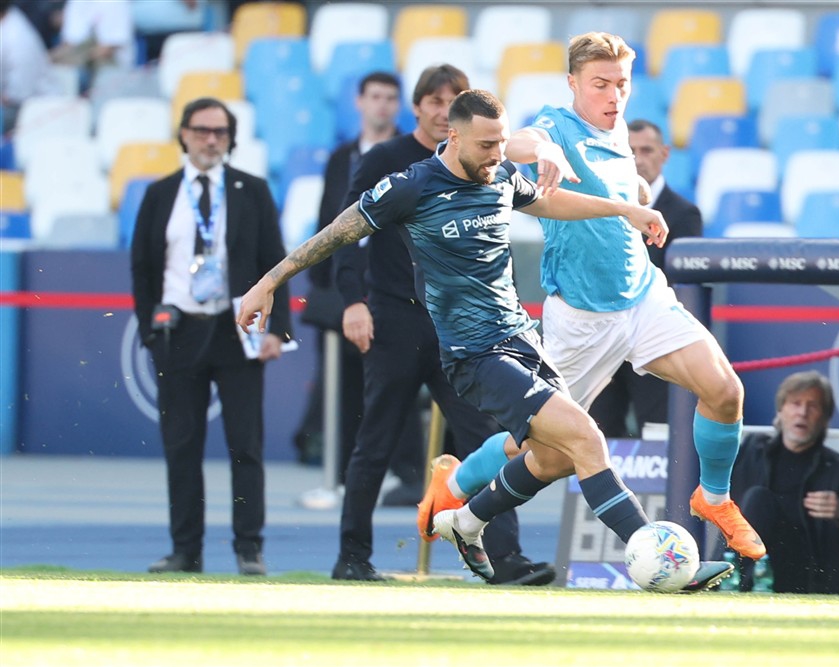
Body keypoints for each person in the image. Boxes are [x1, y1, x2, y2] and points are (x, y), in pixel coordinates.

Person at [236, 89, 671, 585]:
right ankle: (654, 555)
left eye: (502, 143)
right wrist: (268, 283)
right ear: (454, 136)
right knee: (587, 438)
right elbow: (338, 232)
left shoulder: (500, 173)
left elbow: (548, 201)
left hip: (522, 340)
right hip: (474, 354)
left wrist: (624, 210)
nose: (497, 154)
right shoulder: (412, 186)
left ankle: (466, 521)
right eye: (486, 145)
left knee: (554, 458)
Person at [421, 33, 765, 568]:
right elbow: (519, 143)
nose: (613, 95)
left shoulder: (619, 128)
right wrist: (545, 150)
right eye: (600, 84)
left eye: (621, 84)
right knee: (546, 455)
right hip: (580, 320)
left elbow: (617, 185)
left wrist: (637, 198)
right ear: (573, 83)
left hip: (643, 298)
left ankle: (714, 498)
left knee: (725, 391)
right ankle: (460, 486)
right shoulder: (557, 124)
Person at [316, 66, 550, 585]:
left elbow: (496, 241)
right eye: (435, 100)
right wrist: (352, 301)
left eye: (454, 100)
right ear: (418, 107)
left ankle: (506, 557)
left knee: (485, 435)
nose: (444, 110)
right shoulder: (388, 160)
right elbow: (346, 231)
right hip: (395, 317)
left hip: (464, 329)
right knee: (376, 439)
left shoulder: (486, 165)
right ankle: (352, 556)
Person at [131, 97, 291, 576]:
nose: (210, 139)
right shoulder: (160, 193)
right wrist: (150, 333)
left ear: (231, 138)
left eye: (220, 132)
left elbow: (276, 262)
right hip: (178, 330)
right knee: (181, 446)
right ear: (184, 134)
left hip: (235, 328)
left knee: (246, 445)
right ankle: (186, 550)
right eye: (201, 130)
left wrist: (276, 330)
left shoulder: (252, 190)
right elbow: (142, 268)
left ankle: (249, 548)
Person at [294, 71, 424, 500]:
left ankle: (407, 475)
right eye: (375, 96)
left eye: (390, 98)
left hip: (393, 280)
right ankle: (344, 477)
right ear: (360, 101)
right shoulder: (341, 157)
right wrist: (325, 276)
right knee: (342, 383)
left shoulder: (410, 154)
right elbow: (328, 216)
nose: (382, 105)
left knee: (397, 381)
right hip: (345, 283)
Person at [587, 118, 704, 438]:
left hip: (653, 339)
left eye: (647, 150)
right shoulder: (604, 207)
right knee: (598, 431)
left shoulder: (684, 214)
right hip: (605, 338)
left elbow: (681, 284)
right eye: (631, 151)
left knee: (657, 432)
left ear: (664, 154)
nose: (638, 159)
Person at [728, 371, 839, 594]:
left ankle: (727, 584)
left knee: (758, 498)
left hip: (807, 572)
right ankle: (728, 579)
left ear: (824, 418)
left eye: (812, 406)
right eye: (795, 404)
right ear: (781, 411)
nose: (802, 413)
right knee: (757, 499)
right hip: (752, 562)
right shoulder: (751, 451)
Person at [0, 0, 63, 133]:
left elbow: (18, 93)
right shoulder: (8, 19)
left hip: (36, 109)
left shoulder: (17, 37)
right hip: (15, 102)